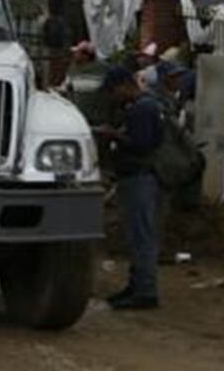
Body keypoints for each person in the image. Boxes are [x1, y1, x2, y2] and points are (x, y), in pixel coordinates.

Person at [97, 66, 164, 310]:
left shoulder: (143, 109)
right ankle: (137, 286)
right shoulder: (141, 107)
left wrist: (113, 135)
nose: (112, 96)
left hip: (140, 178)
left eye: (114, 90)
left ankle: (145, 291)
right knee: (137, 235)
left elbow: (141, 144)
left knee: (142, 236)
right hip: (136, 178)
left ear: (126, 85)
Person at [62, 41, 110, 126]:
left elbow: (100, 87)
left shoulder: (102, 68)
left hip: (96, 117)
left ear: (85, 56)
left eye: (77, 53)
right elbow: (66, 85)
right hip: (76, 114)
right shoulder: (73, 68)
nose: (74, 55)